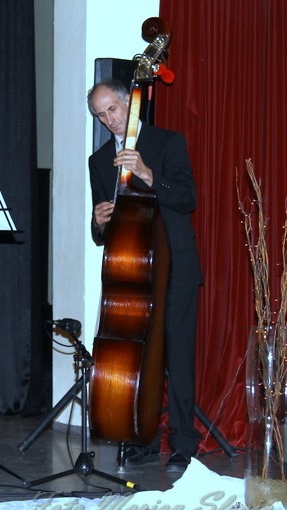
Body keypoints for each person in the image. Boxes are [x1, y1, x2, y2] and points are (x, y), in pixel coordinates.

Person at [87, 79, 203, 472]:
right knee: (143, 358)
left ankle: (184, 442)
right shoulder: (99, 160)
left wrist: (149, 174)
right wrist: (98, 220)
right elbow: (103, 233)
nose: (109, 120)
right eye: (100, 115)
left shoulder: (167, 143)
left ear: (129, 103)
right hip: (133, 271)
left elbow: (187, 199)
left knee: (178, 356)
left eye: (112, 109)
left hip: (176, 266)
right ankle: (144, 438)